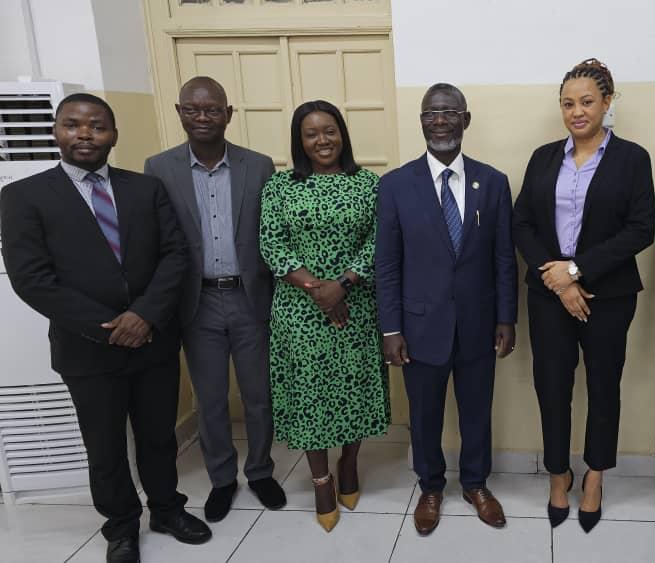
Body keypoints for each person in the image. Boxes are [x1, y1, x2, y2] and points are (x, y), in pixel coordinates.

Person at [0, 93, 210, 563]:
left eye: (97, 126)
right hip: (87, 349)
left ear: (113, 135)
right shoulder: (25, 196)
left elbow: (175, 255)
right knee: (105, 445)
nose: (85, 134)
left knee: (158, 437)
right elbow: (32, 279)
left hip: (153, 340)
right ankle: (120, 527)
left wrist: (145, 315)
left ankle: (167, 510)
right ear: (56, 132)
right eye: (72, 124)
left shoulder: (145, 189)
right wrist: (111, 327)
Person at [512, 59, 655, 533]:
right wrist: (558, 279)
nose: (577, 112)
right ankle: (559, 474)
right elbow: (522, 223)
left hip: (609, 296)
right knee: (552, 387)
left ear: (607, 102)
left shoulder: (632, 158)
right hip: (548, 293)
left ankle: (594, 476)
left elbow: (641, 229)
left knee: (603, 386)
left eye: (587, 102)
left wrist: (577, 270)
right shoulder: (543, 157)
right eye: (568, 103)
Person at [375, 83, 517, 536]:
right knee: (425, 416)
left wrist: (506, 317)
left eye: (449, 112)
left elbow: (503, 257)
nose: (440, 121)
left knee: (477, 412)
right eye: (431, 113)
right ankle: (431, 487)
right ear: (421, 121)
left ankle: (475, 484)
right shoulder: (395, 185)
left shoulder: (492, 182)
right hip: (419, 327)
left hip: (478, 324)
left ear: (465, 119)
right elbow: (387, 264)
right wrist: (390, 329)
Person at [144, 76, 285, 523]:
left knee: (259, 395)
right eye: (192, 109)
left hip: (250, 298)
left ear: (228, 114)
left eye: (212, 109)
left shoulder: (258, 166)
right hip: (197, 301)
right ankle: (223, 479)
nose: (202, 117)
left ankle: (260, 471)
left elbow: (273, 231)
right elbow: (155, 238)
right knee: (210, 400)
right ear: (179, 112)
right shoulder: (159, 168)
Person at [259, 100, 389, 532]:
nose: (322, 140)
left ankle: (349, 461)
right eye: (311, 133)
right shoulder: (280, 186)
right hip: (300, 310)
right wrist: (320, 290)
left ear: (342, 134)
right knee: (310, 392)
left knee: (354, 386)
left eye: (329, 131)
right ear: (300, 141)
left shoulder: (368, 184)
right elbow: (272, 244)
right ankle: (320, 480)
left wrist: (343, 285)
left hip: (356, 305)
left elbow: (379, 240)